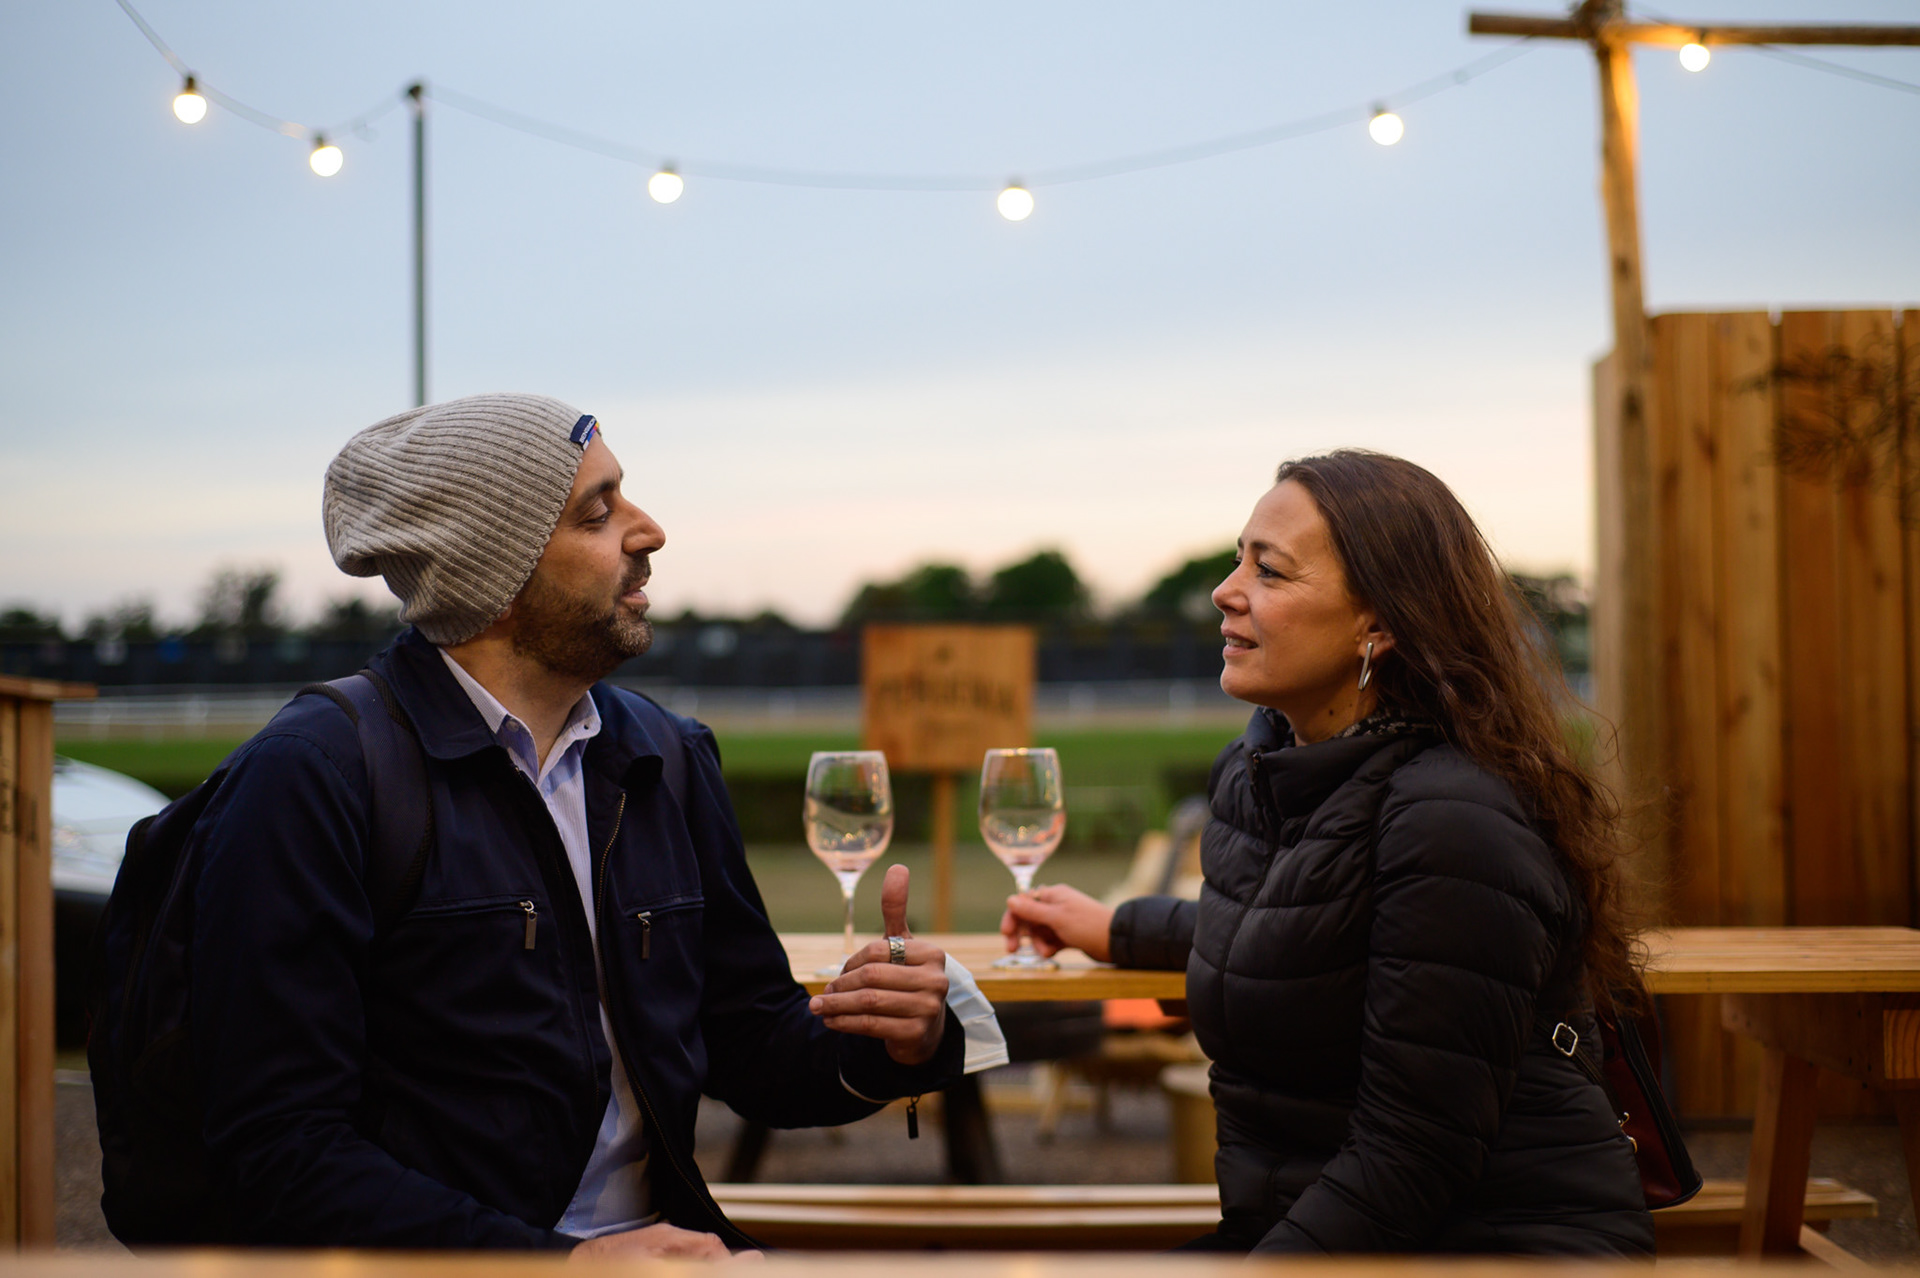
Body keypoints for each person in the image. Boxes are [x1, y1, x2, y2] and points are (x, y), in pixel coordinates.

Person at [185, 393, 1001, 1255]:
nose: (647, 532)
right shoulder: (313, 777)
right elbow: (278, 1156)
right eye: (597, 513)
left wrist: (897, 1043)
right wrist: (562, 1267)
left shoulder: (665, 755)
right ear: (494, 577)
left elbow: (754, 1044)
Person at [1004, 450, 1654, 1256]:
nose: (1225, 590)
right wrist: (1119, 929)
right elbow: (1304, 929)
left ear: (1378, 624)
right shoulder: (1262, 775)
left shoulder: (1453, 821)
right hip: (1320, 1233)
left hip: (1488, 1248)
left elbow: (1414, 1155)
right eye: (1238, 559)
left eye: (1269, 572)